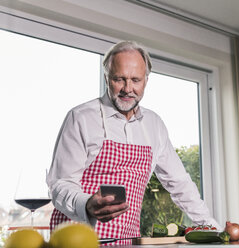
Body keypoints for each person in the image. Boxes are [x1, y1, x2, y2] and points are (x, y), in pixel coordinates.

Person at [46, 40, 221, 244]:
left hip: (127, 240)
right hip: (75, 239)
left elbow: (180, 184)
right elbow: (60, 184)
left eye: (136, 80)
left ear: (146, 80)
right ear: (106, 78)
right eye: (119, 79)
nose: (128, 89)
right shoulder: (81, 117)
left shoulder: (154, 125)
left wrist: (213, 230)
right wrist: (86, 204)